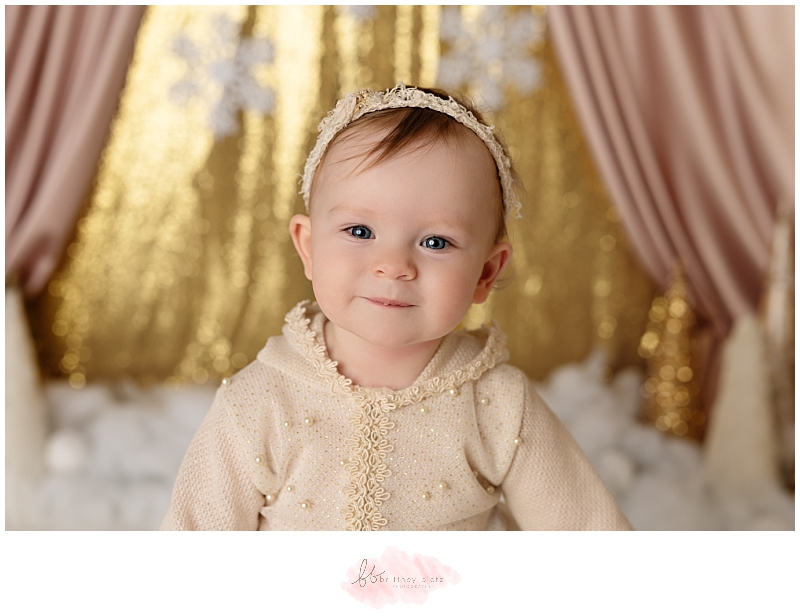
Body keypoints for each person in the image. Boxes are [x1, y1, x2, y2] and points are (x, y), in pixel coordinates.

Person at [161, 84, 632, 530]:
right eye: (360, 231)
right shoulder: (259, 400)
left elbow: (589, 537)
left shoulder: (500, 403)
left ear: (485, 273)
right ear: (308, 247)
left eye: (435, 241)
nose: (393, 266)